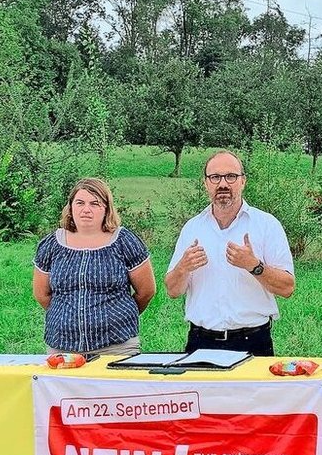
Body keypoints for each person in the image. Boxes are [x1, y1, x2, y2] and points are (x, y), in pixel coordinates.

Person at [164, 151, 296, 356]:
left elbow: (287, 288)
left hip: (253, 342)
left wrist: (254, 266)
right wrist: (183, 267)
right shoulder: (192, 228)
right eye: (215, 177)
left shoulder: (267, 225)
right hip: (200, 341)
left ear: (243, 181)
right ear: (205, 183)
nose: (223, 184)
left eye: (231, 176)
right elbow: (173, 291)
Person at [32, 178, 156, 357]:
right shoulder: (52, 244)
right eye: (80, 203)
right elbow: (42, 294)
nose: (86, 209)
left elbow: (146, 291)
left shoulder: (125, 241)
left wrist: (118, 316)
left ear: (106, 208)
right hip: (62, 346)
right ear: (71, 207)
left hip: (116, 346)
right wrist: (67, 318)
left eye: (94, 203)